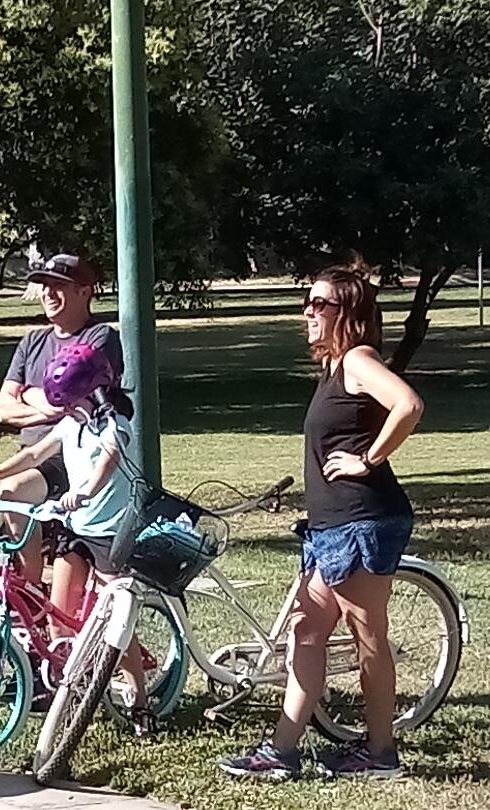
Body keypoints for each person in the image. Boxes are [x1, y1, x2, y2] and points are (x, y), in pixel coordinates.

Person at [218, 264, 423, 780]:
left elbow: (409, 404)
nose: (308, 311)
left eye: (321, 304)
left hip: (364, 519)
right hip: (332, 526)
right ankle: (282, 751)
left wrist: (368, 459)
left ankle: (380, 754)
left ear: (348, 314)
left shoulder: (358, 359)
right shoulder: (334, 368)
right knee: (306, 631)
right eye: (308, 302)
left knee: (366, 635)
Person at [0, 342, 154, 732]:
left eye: (73, 402)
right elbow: (35, 454)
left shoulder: (113, 425)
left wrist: (85, 491)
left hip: (110, 532)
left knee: (115, 622)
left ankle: (140, 699)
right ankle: (76, 691)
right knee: (60, 617)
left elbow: (108, 460)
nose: (67, 410)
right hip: (78, 528)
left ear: (94, 393)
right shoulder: (71, 424)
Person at [0, 254, 122, 583]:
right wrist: (44, 402)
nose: (48, 293)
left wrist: (25, 393)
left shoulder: (99, 338)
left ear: (85, 292)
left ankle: (31, 588)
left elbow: (69, 403)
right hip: (32, 455)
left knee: (11, 491)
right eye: (45, 286)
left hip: (69, 457)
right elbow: (3, 409)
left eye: (59, 286)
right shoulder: (32, 341)